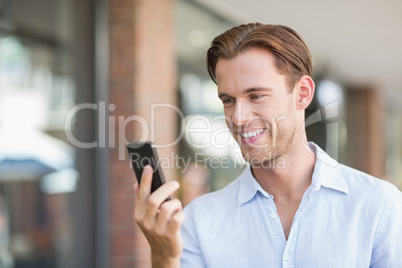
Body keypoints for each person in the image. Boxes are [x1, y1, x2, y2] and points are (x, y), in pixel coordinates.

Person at [133, 23, 402, 267]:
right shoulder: (199, 221)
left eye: (256, 95)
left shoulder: (379, 206)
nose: (238, 117)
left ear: (302, 94)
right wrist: (163, 257)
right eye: (228, 100)